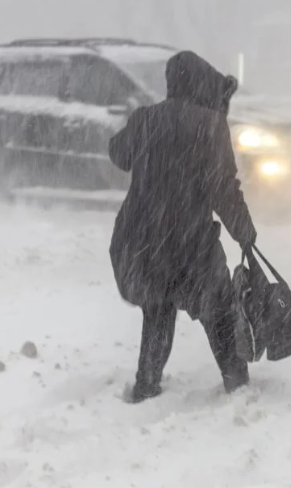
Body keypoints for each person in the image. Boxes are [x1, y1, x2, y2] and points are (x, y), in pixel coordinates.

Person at [108, 50, 257, 403]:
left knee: (157, 312)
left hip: (142, 241)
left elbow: (118, 154)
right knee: (219, 312)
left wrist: (144, 129)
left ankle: (146, 387)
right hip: (190, 243)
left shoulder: (146, 119)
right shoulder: (209, 124)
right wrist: (245, 233)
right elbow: (224, 189)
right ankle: (237, 387)